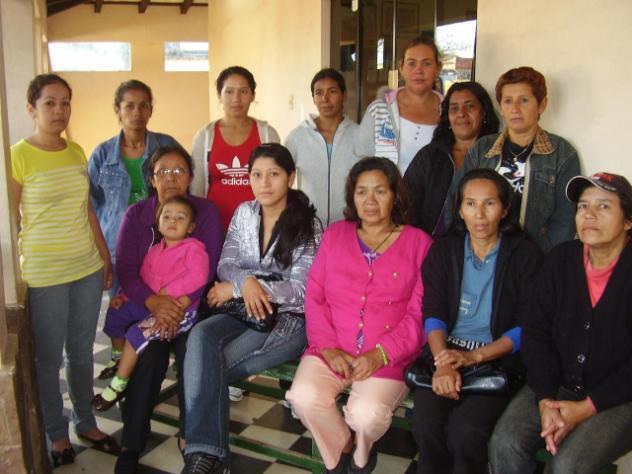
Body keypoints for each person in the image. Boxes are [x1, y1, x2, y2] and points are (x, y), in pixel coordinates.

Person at [286, 157, 433, 473]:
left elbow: (420, 312)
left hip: (388, 356)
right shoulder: (335, 235)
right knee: (302, 397)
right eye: (361, 191)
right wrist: (327, 346)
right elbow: (315, 296)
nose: (370, 200)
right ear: (352, 196)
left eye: (380, 191)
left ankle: (362, 456)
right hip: (332, 348)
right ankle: (341, 447)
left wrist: (381, 354)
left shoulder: (420, 243)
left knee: (365, 415)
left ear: (395, 195)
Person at [180, 143, 321, 474]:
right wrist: (244, 284)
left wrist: (248, 287)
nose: (264, 183)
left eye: (274, 174)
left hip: (286, 320)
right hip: (241, 311)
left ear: (291, 177)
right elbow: (226, 263)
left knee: (208, 367)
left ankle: (205, 455)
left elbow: (302, 291)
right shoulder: (244, 212)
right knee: (200, 336)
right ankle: (210, 455)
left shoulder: (308, 224)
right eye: (256, 175)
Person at [489, 172, 632, 474]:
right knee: (505, 443)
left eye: (604, 206)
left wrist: (585, 409)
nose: (589, 214)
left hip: (619, 397)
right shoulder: (561, 259)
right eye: (583, 206)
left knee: (567, 466)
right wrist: (545, 400)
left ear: (628, 221)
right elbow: (536, 333)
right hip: (557, 384)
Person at [10, 74, 117, 467]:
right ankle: (56, 433)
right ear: (31, 108)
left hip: (85, 267)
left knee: (82, 352)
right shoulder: (17, 156)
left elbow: (86, 209)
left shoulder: (75, 151)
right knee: (49, 359)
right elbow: (10, 220)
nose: (59, 111)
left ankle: (85, 422)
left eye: (65, 102)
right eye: (49, 103)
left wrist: (103, 256)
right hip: (45, 274)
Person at [411, 169, 541, 474]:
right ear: (459, 209)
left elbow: (529, 325)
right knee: (425, 423)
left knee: (466, 432)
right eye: (470, 204)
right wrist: (443, 362)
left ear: (505, 209)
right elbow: (433, 312)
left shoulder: (525, 255)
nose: (479, 214)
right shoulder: (445, 251)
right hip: (446, 354)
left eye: (489, 203)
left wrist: (476, 356)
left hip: (497, 360)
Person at [113, 147, 223, 473]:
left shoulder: (205, 211)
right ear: (152, 178)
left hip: (190, 307)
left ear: (190, 178)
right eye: (163, 171)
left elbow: (208, 268)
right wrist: (153, 303)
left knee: (194, 352)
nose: (171, 178)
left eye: (179, 171)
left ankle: (192, 438)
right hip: (146, 305)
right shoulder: (136, 215)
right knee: (149, 354)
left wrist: (175, 307)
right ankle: (132, 441)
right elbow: (126, 270)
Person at [88, 79, 182, 378]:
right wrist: (101, 253)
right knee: (122, 310)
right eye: (129, 106)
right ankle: (126, 373)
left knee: (158, 308)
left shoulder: (166, 146)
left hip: (162, 248)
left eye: (144, 105)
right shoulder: (102, 155)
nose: (137, 112)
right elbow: (91, 206)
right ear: (118, 110)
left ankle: (148, 373)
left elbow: (185, 189)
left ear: (151, 109)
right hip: (119, 250)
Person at [92, 196, 209, 411]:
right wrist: (123, 296)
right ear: (158, 222)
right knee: (116, 314)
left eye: (180, 218)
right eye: (167, 216)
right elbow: (143, 279)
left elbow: (198, 276)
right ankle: (117, 357)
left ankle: (118, 385)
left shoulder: (193, 249)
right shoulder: (155, 250)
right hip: (153, 305)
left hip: (179, 311)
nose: (172, 221)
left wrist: (168, 291)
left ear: (191, 227)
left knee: (136, 333)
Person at [445, 67, 581, 253]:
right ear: (501, 107)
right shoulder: (483, 148)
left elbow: (565, 220)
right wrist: (465, 248)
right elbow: (455, 198)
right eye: (508, 101)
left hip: (536, 256)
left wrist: (538, 258)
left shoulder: (561, 153)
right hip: (482, 253)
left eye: (524, 100)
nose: (515, 109)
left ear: (542, 105)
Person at [403, 81, 500, 236]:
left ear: (484, 113)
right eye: (454, 108)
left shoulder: (497, 157)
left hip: (483, 244)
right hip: (432, 245)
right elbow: (406, 205)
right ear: (447, 117)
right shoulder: (430, 156)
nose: (461, 113)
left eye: (470, 106)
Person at [190, 65, 281, 230]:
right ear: (219, 95)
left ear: (252, 95)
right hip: (213, 227)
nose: (236, 99)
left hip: (257, 228)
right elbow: (196, 187)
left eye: (243, 91)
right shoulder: (205, 136)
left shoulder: (267, 134)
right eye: (229, 91)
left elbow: (278, 182)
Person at [356, 36, 442, 175]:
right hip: (385, 189)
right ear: (401, 67)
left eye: (426, 63)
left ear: (438, 68)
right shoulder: (378, 111)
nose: (418, 70)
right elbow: (361, 160)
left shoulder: (450, 113)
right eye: (411, 63)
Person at [285, 68, 359, 226]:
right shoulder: (297, 137)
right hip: (308, 225)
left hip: (349, 224)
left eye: (332, 92)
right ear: (313, 98)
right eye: (318, 93)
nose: (325, 99)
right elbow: (282, 177)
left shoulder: (359, 135)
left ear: (344, 95)